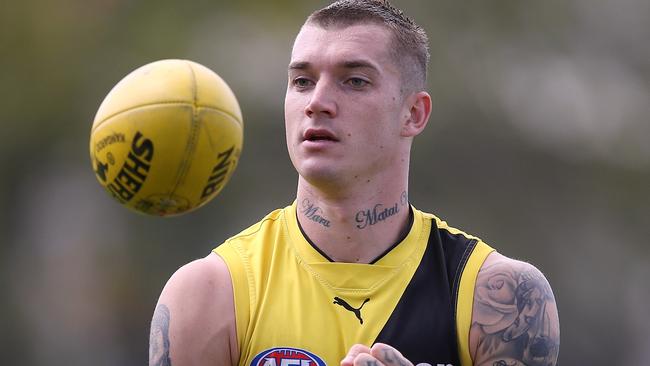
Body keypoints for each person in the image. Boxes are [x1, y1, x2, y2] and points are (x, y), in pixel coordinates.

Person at [149, 1, 560, 365]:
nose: (317, 103)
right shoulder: (208, 294)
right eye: (302, 81)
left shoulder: (500, 298)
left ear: (413, 113)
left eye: (354, 81)